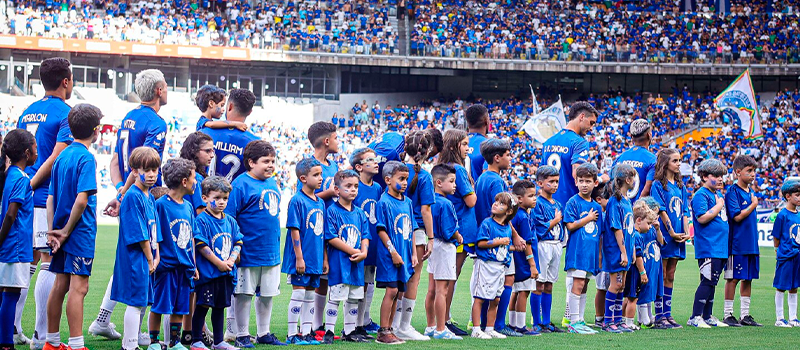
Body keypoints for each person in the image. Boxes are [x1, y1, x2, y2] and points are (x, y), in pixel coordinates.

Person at [95, 69, 169, 345]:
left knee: (131, 262)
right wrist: (128, 192)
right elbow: (144, 165)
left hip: (127, 193)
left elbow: (115, 160)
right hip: (143, 196)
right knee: (146, 263)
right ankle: (135, 333)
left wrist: (119, 192)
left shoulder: (128, 118)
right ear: (159, 90)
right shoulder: (156, 123)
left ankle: (104, 318)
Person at [17, 57, 74, 349]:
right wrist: (32, 184)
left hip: (22, 197)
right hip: (42, 197)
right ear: (66, 81)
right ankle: (40, 336)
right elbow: (55, 156)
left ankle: (14, 328)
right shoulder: (65, 113)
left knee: (27, 260)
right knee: (48, 261)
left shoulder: (28, 110)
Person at [44, 103, 102, 350]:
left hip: (59, 231)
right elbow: (82, 199)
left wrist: (52, 231)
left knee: (60, 285)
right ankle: (77, 344)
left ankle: (52, 342)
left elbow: (50, 199)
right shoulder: (86, 158)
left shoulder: (62, 155)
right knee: (79, 288)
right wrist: (67, 231)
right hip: (78, 233)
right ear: (97, 131)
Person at [225, 141, 286, 347]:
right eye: (265, 161)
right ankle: (242, 334)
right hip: (248, 251)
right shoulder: (240, 184)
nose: (270, 165)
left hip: (270, 251)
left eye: (272, 161)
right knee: (244, 294)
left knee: (267, 294)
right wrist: (236, 247)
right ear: (251, 162)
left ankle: (264, 332)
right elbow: (230, 218)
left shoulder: (272, 183)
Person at [110, 147, 162, 350]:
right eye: (146, 170)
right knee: (135, 302)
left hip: (148, 256)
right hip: (136, 257)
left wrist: (156, 256)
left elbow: (154, 230)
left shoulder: (149, 195)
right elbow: (139, 234)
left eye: (155, 170)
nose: (151, 175)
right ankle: (129, 345)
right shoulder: (133, 196)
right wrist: (150, 258)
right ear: (133, 170)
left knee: (142, 301)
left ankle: (130, 343)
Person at [474, 138, 522, 335]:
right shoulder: (496, 180)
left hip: (488, 234)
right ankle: (496, 325)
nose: (510, 158)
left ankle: (485, 324)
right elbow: (503, 212)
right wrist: (515, 234)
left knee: (487, 287)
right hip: (496, 238)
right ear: (497, 158)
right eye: (508, 155)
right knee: (506, 281)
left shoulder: (482, 177)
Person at [190, 176, 243, 350]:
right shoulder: (202, 221)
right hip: (208, 274)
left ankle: (219, 341)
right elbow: (201, 245)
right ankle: (196, 339)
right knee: (203, 305)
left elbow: (238, 242)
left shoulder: (230, 221)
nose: (221, 202)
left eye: (225, 198)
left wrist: (230, 260)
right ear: (205, 198)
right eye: (217, 198)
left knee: (220, 307)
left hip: (225, 273)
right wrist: (219, 262)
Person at [151, 158, 198, 350]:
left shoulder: (188, 206)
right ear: (184, 181)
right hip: (167, 266)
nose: (196, 181)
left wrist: (193, 264)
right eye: (194, 177)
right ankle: (154, 342)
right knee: (160, 305)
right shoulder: (161, 205)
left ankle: (174, 341)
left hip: (185, 266)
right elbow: (155, 235)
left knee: (180, 306)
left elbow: (192, 237)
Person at [298, 122, 339, 339]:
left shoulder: (333, 166)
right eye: (336, 138)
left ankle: (317, 325)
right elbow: (305, 198)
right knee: (314, 277)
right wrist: (330, 193)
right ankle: (306, 326)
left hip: (332, 227)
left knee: (326, 277)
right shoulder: (308, 165)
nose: (338, 142)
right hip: (314, 229)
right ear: (326, 141)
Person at [395, 131, 436, 341]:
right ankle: (404, 325)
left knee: (398, 278)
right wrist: (431, 238)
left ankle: (393, 324)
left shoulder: (397, 170)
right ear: (427, 151)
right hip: (417, 230)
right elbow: (426, 210)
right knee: (413, 279)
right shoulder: (425, 176)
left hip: (397, 230)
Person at [322, 170, 371, 343]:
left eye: (356, 186)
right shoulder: (332, 211)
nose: (353, 190)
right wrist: (353, 251)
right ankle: (329, 330)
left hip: (356, 263)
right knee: (336, 297)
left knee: (353, 299)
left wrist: (363, 252)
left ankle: (349, 331)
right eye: (348, 186)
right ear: (337, 190)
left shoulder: (359, 213)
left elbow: (365, 235)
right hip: (340, 263)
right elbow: (331, 237)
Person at [0, 129, 37, 350]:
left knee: (6, 293)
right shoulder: (21, 179)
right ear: (26, 152)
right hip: (15, 246)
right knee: (11, 294)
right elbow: (11, 214)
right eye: (34, 148)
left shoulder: (10, 175)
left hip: (11, 244)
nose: (36, 152)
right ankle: (6, 343)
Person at [282, 158, 326, 346]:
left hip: (315, 258)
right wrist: (299, 257)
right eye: (315, 175)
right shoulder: (297, 201)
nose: (320, 178)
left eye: (321, 174)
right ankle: (292, 333)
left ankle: (306, 332)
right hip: (301, 259)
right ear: (303, 178)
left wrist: (324, 258)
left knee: (310, 296)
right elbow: (294, 230)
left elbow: (323, 233)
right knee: (299, 295)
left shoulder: (320, 202)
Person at [435, 130, 473, 336]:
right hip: (457, 230)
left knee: (444, 279)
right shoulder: (457, 169)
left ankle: (441, 320)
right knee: (450, 278)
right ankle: (445, 320)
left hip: (445, 229)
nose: (468, 148)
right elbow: (471, 200)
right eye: (464, 144)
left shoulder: (440, 167)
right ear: (454, 146)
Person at [374, 161, 417, 345]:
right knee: (391, 291)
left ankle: (390, 329)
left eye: (407, 179)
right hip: (390, 256)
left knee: (398, 291)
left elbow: (412, 228)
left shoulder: (407, 202)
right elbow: (381, 230)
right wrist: (393, 252)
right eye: (401, 179)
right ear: (388, 180)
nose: (405, 182)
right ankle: (383, 331)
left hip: (405, 255)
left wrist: (414, 253)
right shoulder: (384, 202)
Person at [422, 164, 463, 340]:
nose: (455, 185)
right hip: (444, 246)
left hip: (433, 244)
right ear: (439, 182)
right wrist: (459, 236)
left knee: (432, 289)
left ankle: (431, 325)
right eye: (452, 181)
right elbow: (449, 230)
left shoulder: (430, 201)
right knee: (442, 290)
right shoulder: (445, 203)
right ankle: (441, 328)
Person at [688, 159, 730, 328]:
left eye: (722, 176)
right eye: (716, 175)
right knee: (707, 280)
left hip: (719, 246)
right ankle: (695, 316)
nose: (720, 179)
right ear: (704, 177)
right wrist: (719, 206)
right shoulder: (701, 195)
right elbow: (702, 217)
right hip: (709, 246)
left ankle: (707, 315)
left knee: (713, 281)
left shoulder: (717, 195)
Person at [470, 192, 518, 340]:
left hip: (500, 267)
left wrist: (513, 247)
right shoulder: (487, 223)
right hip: (485, 265)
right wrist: (498, 242)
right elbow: (481, 243)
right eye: (496, 201)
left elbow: (505, 246)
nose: (496, 204)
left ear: (509, 211)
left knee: (496, 299)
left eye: (501, 203)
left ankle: (490, 328)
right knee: (480, 297)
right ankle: (476, 329)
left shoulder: (507, 228)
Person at [649, 148, 688, 329]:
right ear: (666, 163)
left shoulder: (681, 186)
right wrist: (670, 232)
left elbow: (685, 211)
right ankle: (659, 316)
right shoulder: (658, 185)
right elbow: (661, 209)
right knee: (661, 274)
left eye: (679, 160)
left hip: (678, 235)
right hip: (665, 235)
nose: (678, 164)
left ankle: (667, 313)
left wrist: (686, 232)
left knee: (671, 275)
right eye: (675, 161)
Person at [722, 155, 762, 327]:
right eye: (749, 171)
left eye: (754, 171)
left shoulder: (751, 192)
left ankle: (745, 315)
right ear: (738, 172)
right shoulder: (733, 191)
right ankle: (728, 314)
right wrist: (753, 205)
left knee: (748, 278)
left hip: (751, 243)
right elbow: (737, 217)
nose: (753, 174)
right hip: (737, 244)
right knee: (733, 278)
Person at [563, 163, 602, 334]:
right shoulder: (573, 202)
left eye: (588, 181)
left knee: (585, 285)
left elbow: (599, 234)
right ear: (576, 182)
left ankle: (580, 319)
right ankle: (573, 321)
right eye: (581, 181)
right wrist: (588, 218)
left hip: (590, 254)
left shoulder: (598, 207)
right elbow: (570, 226)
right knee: (577, 284)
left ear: (595, 183)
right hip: (578, 252)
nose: (584, 184)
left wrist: (599, 256)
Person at [349, 148, 382, 337]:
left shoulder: (377, 188)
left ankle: (362, 323)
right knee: (356, 285)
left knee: (368, 283)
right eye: (370, 159)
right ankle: (351, 325)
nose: (376, 162)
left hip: (373, 243)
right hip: (356, 243)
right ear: (359, 167)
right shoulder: (354, 186)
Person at [540, 101, 598, 207]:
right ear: (582, 116)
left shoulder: (548, 142)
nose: (591, 128)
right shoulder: (579, 142)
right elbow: (578, 174)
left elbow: (541, 175)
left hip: (548, 206)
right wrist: (601, 179)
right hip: (569, 207)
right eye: (591, 123)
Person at [600, 164, 637, 333]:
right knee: (615, 285)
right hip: (616, 250)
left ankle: (618, 320)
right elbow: (617, 229)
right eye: (633, 177)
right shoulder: (615, 202)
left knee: (621, 287)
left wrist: (632, 251)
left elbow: (630, 229)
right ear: (627, 180)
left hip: (626, 251)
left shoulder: (627, 200)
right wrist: (623, 252)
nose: (634, 181)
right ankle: (608, 322)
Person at [531, 165, 564, 334]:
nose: (555, 184)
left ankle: (546, 321)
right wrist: (555, 220)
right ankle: (536, 321)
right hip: (543, 245)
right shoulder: (537, 203)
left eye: (557, 181)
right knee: (539, 283)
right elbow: (538, 228)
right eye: (551, 181)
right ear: (540, 183)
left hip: (556, 245)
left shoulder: (557, 203)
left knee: (549, 284)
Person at [199, 89, 258, 182]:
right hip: (232, 195)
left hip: (203, 194)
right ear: (250, 112)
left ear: (229, 106)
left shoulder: (203, 132)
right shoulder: (255, 143)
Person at [620, 198, 661, 331]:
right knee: (633, 298)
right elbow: (638, 256)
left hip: (630, 271)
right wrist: (642, 272)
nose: (650, 227)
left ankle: (622, 320)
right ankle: (629, 322)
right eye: (648, 223)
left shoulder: (633, 234)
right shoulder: (637, 236)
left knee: (628, 297)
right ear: (638, 220)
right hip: (634, 272)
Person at [507, 180, 540, 336]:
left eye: (535, 195)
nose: (534, 199)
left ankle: (512, 323)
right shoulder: (522, 217)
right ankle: (521, 325)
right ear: (519, 199)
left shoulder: (517, 215)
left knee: (516, 290)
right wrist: (532, 264)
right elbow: (527, 243)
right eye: (531, 196)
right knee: (524, 291)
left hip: (516, 260)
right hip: (524, 262)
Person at [772, 179, 800, 328]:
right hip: (786, 255)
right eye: (797, 195)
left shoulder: (799, 214)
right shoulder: (782, 215)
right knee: (781, 286)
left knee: (794, 286)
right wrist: (778, 251)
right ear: (788, 196)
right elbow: (776, 237)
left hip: (797, 255)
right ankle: (779, 318)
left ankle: (793, 317)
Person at [613, 119, 656, 201]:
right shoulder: (653, 160)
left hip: (620, 209)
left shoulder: (620, 158)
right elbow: (647, 189)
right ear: (649, 135)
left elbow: (612, 184)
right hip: (639, 210)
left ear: (631, 137)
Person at [180, 132, 216, 216]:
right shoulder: (195, 177)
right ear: (194, 151)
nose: (212, 155)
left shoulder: (181, 172)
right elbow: (201, 211)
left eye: (212, 151)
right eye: (208, 151)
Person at [591, 182, 609, 328]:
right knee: (602, 288)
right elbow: (600, 239)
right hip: (603, 257)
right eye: (608, 197)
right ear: (599, 199)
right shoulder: (600, 216)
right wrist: (599, 258)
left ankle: (609, 316)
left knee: (611, 287)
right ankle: (599, 317)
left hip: (611, 257)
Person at [465, 104, 488, 182]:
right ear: (486, 120)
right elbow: (487, 180)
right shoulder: (488, 145)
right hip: (476, 192)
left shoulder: (457, 143)